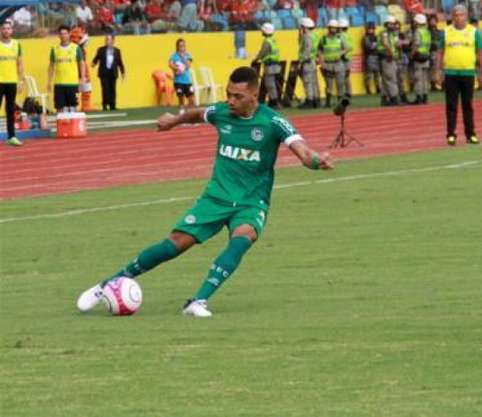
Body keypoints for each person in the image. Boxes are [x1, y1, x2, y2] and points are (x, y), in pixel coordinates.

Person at [77, 66, 334, 318]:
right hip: (216, 198)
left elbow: (302, 151)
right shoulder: (222, 113)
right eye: (228, 94)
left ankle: (197, 301)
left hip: (251, 202)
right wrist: (172, 121)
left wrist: (315, 161)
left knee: (242, 239)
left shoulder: (273, 122)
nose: (230, 101)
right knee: (175, 244)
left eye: (238, 96)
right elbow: (197, 114)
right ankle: (106, 285)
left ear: (255, 96)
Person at [440, 5, 482, 145]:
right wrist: (438, 71)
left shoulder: (474, 32)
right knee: (451, 105)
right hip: (450, 73)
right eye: (456, 15)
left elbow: (480, 53)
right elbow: (439, 53)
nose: (458, 18)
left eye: (461, 15)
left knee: (468, 105)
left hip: (468, 73)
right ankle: (451, 134)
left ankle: (470, 134)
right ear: (452, 17)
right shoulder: (446, 32)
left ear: (466, 16)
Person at [47, 25, 86, 114]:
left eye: (65, 33)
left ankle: (72, 127)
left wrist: (82, 78)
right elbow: (51, 66)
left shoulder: (75, 48)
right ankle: (61, 127)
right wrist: (49, 81)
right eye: (61, 34)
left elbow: (81, 63)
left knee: (73, 108)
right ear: (58, 35)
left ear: (69, 34)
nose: (63, 35)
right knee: (59, 108)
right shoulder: (55, 49)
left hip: (72, 84)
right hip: (59, 84)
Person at [0, 20, 25, 146]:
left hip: (11, 81)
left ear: (12, 30)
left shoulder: (16, 44)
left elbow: (20, 63)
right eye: (4, 28)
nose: (6, 30)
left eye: (8, 28)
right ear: (1, 30)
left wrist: (21, 79)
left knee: (10, 110)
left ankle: (11, 136)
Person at [317, 20, 349, 108]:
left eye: (335, 28)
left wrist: (341, 54)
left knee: (340, 84)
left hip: (338, 64)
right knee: (329, 85)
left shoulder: (340, 38)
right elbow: (320, 51)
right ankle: (327, 103)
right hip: (328, 64)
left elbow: (347, 48)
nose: (333, 29)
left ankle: (340, 103)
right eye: (331, 27)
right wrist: (322, 63)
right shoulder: (323, 39)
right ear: (329, 28)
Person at [91, 34, 126, 111]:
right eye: (106, 39)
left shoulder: (117, 51)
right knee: (105, 89)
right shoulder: (101, 49)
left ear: (113, 41)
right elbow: (96, 58)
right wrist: (93, 63)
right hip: (103, 73)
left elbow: (120, 62)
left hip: (113, 72)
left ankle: (112, 105)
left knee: (113, 89)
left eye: (109, 39)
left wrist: (123, 73)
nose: (107, 41)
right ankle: (105, 105)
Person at [254, 23, 282, 108]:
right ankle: (274, 101)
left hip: (269, 65)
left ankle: (274, 102)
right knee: (273, 84)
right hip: (276, 65)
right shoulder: (273, 40)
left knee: (270, 85)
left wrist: (255, 59)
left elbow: (262, 53)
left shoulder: (266, 41)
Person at [297, 17, 321, 109]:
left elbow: (307, 50)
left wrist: (301, 61)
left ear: (304, 27)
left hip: (307, 62)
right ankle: (316, 100)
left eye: (301, 27)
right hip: (313, 61)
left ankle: (309, 101)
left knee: (308, 82)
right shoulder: (315, 35)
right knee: (314, 82)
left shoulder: (307, 36)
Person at [377, 15, 400, 106]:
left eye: (394, 24)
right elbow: (385, 43)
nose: (393, 26)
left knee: (387, 79)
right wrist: (390, 53)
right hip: (387, 58)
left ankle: (385, 98)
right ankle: (394, 98)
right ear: (386, 24)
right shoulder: (384, 33)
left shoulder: (393, 34)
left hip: (392, 58)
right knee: (390, 79)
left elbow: (397, 44)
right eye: (391, 24)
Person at [410, 14, 432, 105]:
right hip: (426, 56)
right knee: (425, 78)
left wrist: (412, 54)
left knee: (418, 78)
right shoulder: (427, 31)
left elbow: (416, 44)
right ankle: (425, 97)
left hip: (418, 57)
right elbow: (429, 44)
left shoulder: (417, 31)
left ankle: (419, 97)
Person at [169, 38, 194, 113]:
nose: (182, 47)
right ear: (177, 47)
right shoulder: (174, 55)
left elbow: (188, 65)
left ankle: (189, 113)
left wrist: (182, 57)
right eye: (180, 46)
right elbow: (170, 64)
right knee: (181, 97)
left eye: (183, 46)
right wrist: (175, 69)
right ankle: (181, 112)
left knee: (191, 98)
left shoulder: (188, 55)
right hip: (178, 81)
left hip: (187, 81)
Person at [362, 22, 381, 96]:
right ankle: (368, 88)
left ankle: (378, 88)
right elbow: (368, 47)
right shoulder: (365, 38)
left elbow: (379, 47)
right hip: (369, 56)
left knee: (377, 74)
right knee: (369, 74)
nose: (371, 30)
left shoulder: (376, 37)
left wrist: (375, 46)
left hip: (376, 56)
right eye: (369, 29)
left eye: (372, 29)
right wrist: (375, 46)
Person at [338, 18, 354, 102]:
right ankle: (349, 93)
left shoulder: (341, 35)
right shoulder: (349, 35)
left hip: (344, 58)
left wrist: (340, 54)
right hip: (349, 58)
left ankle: (345, 94)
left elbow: (345, 47)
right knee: (347, 77)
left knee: (342, 77)